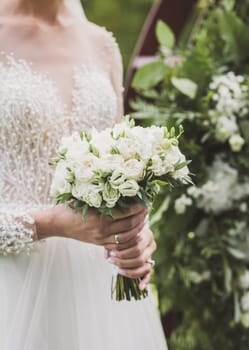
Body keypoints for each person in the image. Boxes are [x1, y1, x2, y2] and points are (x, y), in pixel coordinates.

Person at [0, 0, 168, 349]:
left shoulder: (102, 45)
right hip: (11, 289)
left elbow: (122, 166)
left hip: (100, 298)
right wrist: (52, 222)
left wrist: (137, 235)